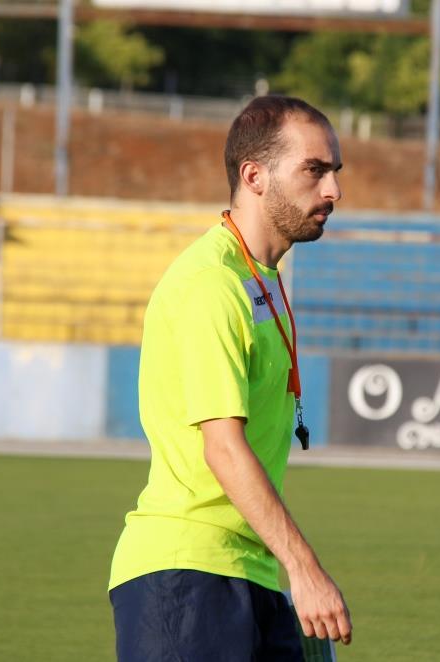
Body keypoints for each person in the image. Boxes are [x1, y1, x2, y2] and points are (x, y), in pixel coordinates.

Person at [108, 95, 351, 662]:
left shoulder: (257, 278)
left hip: (252, 571)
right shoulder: (210, 284)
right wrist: (305, 570)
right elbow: (223, 447)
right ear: (254, 176)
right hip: (185, 575)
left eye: (335, 172)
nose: (333, 190)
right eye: (314, 170)